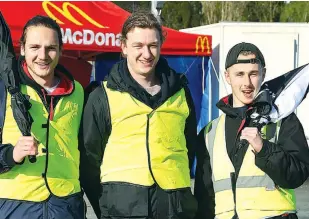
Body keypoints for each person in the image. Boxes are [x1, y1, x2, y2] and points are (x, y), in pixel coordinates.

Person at [80, 12, 198, 219]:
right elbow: (89, 161)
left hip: (175, 209)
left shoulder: (180, 92)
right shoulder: (101, 97)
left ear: (161, 45)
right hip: (122, 210)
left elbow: (189, 148)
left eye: (153, 45)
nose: (147, 54)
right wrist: (107, 207)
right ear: (124, 47)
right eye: (138, 46)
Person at [194, 42, 309, 219]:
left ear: (263, 73)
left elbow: (297, 175)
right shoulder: (210, 133)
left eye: (253, 74)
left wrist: (265, 150)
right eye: (239, 74)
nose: (247, 83)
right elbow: (204, 199)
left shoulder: (283, 120)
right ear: (227, 76)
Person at [0, 15, 85, 219]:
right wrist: (11, 154)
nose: (43, 55)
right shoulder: (4, 90)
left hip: (66, 205)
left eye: (51, 48)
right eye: (35, 47)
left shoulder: (78, 91)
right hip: (16, 206)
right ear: (22, 49)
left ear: (61, 50)